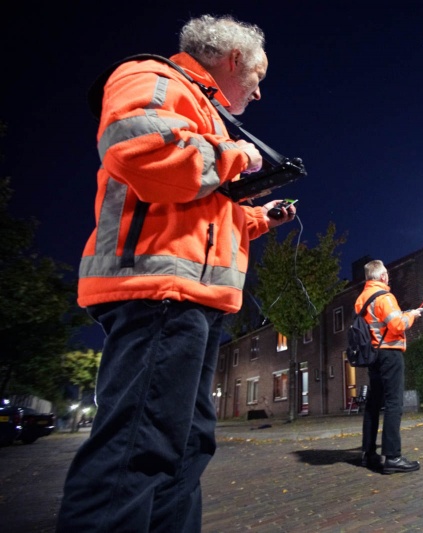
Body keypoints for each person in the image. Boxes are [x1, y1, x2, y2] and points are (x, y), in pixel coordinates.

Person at [57, 15, 296, 532]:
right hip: (160, 292)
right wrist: (241, 157)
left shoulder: (203, 111)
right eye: (259, 80)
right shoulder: (154, 76)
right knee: (138, 447)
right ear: (235, 60)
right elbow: (143, 151)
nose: (257, 96)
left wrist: (258, 217)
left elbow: (199, 210)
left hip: (195, 300)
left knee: (186, 448)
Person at [357, 260, 423, 474]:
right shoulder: (385, 297)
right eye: (387, 274)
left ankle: (368, 453)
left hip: (373, 355)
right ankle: (393, 457)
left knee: (373, 405)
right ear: (382, 276)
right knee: (394, 403)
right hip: (390, 354)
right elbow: (397, 325)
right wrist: (411, 315)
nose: (389, 277)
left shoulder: (361, 299)